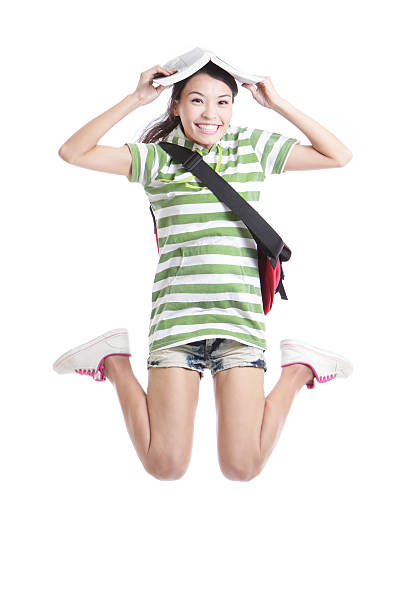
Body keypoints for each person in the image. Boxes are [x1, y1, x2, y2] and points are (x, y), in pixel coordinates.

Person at [53, 59, 353, 482]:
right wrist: (136, 99)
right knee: (166, 465)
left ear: (233, 107)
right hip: (178, 321)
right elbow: (73, 152)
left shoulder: (250, 147)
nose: (211, 114)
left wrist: (278, 104)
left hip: (239, 320)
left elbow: (338, 155)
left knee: (241, 466)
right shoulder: (156, 160)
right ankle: (114, 361)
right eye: (197, 100)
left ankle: (299, 368)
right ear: (176, 105)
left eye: (223, 102)